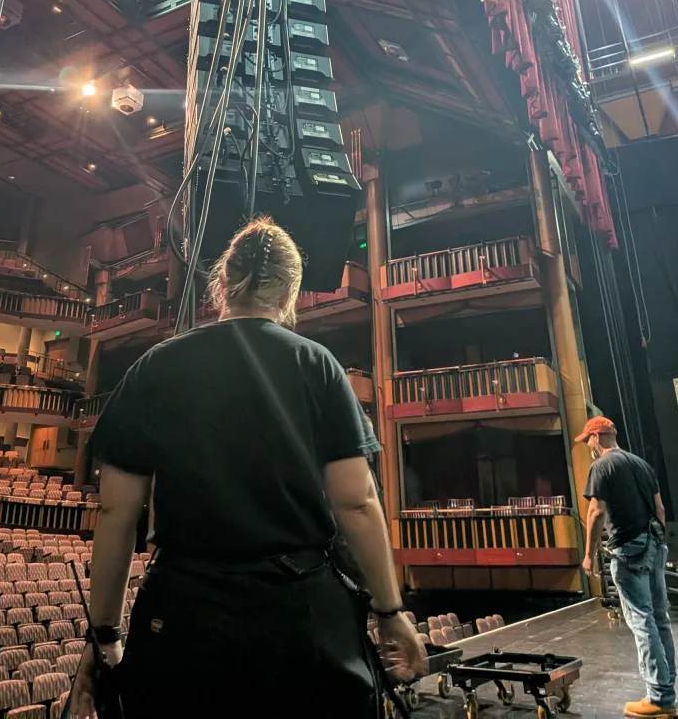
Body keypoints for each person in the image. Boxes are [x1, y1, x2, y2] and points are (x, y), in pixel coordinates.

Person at [74, 217, 426, 719]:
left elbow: (115, 511)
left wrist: (103, 635)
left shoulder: (156, 365)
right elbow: (356, 501)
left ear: (221, 282)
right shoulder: (317, 364)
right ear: (290, 291)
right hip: (299, 616)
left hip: (185, 616)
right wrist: (390, 613)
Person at [579, 416, 676, 718]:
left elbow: (596, 512)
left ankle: (659, 699)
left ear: (596, 437)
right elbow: (659, 509)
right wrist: (657, 542)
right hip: (655, 545)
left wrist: (589, 554)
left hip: (629, 549)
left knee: (642, 621)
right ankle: (667, 691)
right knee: (660, 619)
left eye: (588, 441)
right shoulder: (641, 464)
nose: (589, 448)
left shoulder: (602, 466)